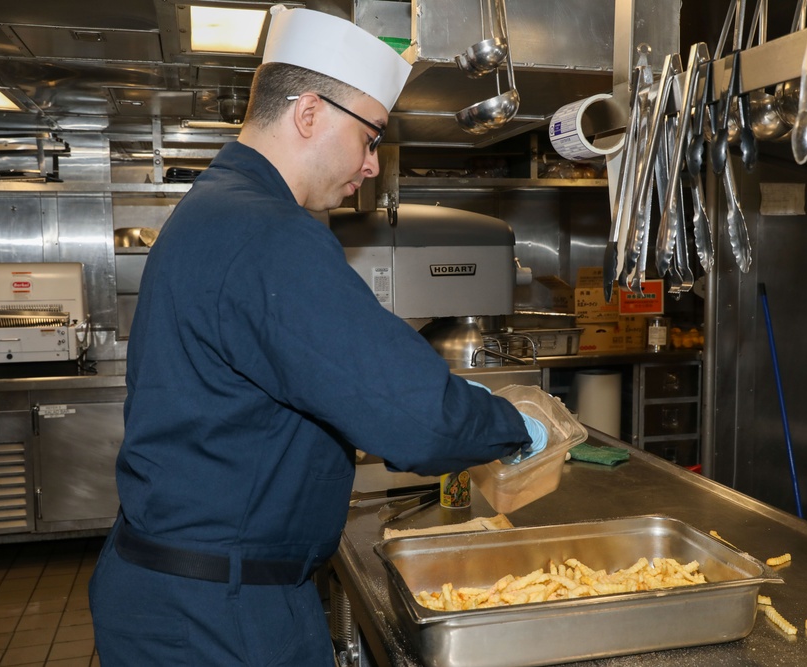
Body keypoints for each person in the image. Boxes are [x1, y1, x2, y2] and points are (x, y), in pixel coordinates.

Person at [88, 6, 534, 665]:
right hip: (220, 615)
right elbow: (415, 418)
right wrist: (518, 426)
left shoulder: (218, 204)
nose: (373, 165)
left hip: (183, 590)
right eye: (371, 137)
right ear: (309, 114)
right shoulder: (268, 233)